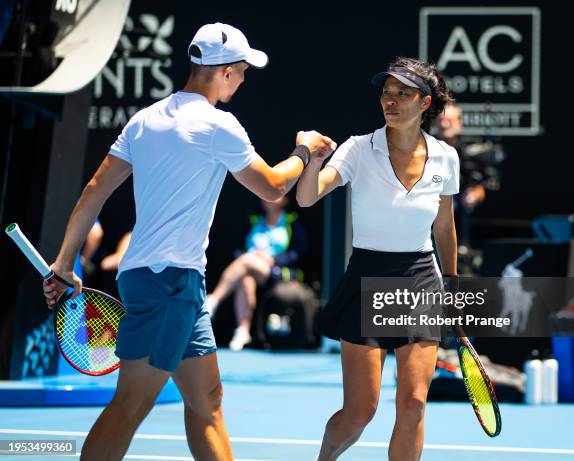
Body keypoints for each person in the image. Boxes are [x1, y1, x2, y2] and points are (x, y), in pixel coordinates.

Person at [42, 22, 335, 461]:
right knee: (130, 406)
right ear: (227, 72)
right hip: (169, 284)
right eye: (243, 70)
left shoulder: (143, 121)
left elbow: (93, 192)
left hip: (172, 283)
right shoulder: (219, 125)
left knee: (208, 401)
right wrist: (305, 151)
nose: (244, 78)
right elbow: (274, 187)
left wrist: (65, 262)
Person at [297, 57, 459, 461]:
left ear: (425, 103)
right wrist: (312, 160)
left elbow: (444, 227)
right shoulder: (357, 149)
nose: (391, 100)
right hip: (369, 278)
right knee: (359, 412)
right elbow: (306, 196)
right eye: (387, 92)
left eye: (403, 93)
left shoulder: (446, 158)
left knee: (414, 404)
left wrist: (454, 287)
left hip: (421, 279)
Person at [205, 196, 307, 351]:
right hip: (250, 267)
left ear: (285, 200)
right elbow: (239, 249)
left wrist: (272, 260)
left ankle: (214, 299)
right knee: (246, 279)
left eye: (275, 196)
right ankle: (243, 331)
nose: (269, 199)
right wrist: (251, 256)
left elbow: (297, 253)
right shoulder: (254, 221)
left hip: (277, 271)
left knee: (247, 261)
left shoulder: (292, 222)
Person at [435, 101, 501, 246]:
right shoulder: (427, 148)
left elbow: (491, 182)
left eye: (449, 120)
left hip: (467, 221)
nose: (444, 125)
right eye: (441, 120)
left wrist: (478, 192)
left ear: (459, 123)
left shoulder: (474, 150)